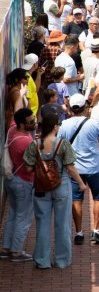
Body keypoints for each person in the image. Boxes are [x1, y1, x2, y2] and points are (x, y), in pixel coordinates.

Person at [59, 93, 99, 245]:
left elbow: (59, 143)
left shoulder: (65, 124)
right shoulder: (93, 123)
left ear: (70, 108)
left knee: (76, 199)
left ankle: (79, 232)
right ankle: (96, 230)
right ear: (85, 107)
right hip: (94, 167)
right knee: (98, 197)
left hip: (74, 169)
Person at [0, 109, 39, 264]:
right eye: (30, 122)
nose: (34, 123)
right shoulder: (26, 142)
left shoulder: (11, 131)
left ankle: (6, 248)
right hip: (24, 181)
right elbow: (32, 164)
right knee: (23, 217)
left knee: (13, 214)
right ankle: (16, 251)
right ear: (22, 124)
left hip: (11, 179)